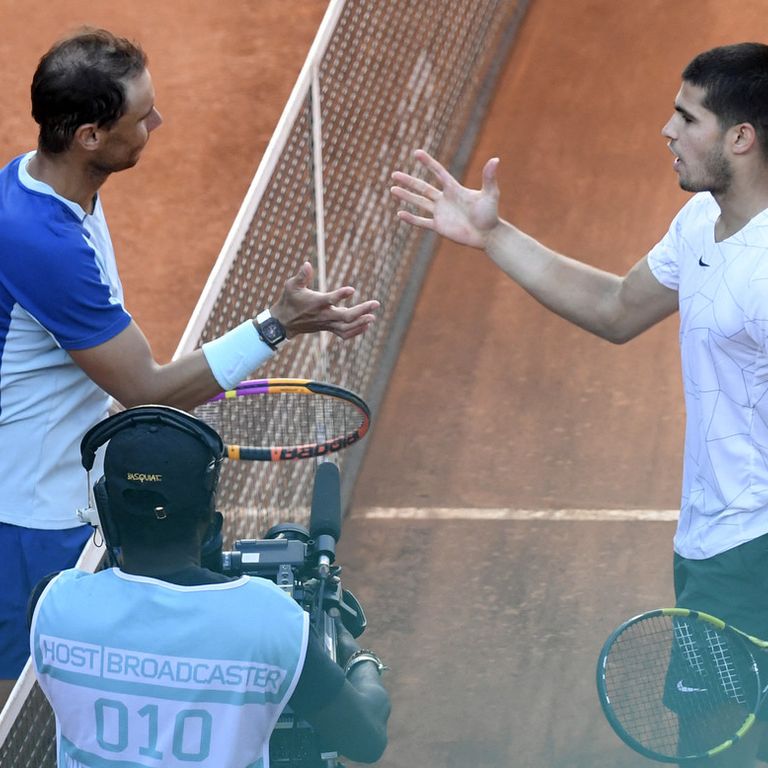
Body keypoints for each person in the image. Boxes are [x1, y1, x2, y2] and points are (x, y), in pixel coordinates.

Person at [391, 42, 768, 768]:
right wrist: (492, 236)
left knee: (719, 754)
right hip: (709, 543)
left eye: (688, 117)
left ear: (740, 138)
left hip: (749, 552)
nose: (666, 129)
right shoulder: (701, 227)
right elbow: (615, 307)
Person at [0, 27, 379, 703]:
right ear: (90, 135)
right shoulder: (42, 241)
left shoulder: (49, 187)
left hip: (65, 497)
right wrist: (277, 323)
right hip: (32, 525)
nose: (157, 122)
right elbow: (150, 390)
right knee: (30, 712)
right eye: (141, 116)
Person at [28, 405, 390, 767]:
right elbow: (366, 739)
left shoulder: (52, 605)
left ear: (106, 512)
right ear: (210, 520)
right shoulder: (267, 619)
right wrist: (361, 660)